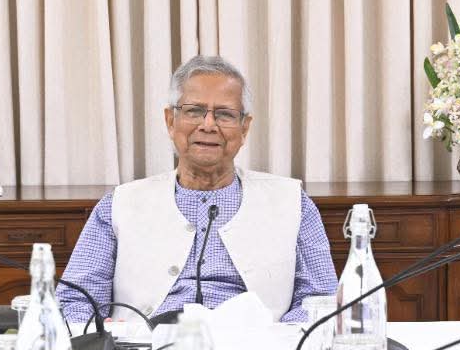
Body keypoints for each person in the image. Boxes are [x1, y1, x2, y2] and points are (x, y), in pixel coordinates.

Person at [58, 56, 337, 324]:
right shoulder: (119, 205)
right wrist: (110, 334)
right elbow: (73, 301)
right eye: (194, 111)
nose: (208, 125)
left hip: (254, 347)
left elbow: (321, 299)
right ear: (170, 121)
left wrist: (275, 339)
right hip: (145, 347)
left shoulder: (292, 203)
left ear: (244, 128)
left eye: (225, 114)